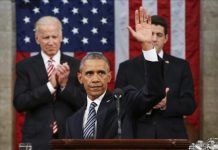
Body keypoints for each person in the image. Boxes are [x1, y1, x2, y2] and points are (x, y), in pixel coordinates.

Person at [115, 7, 196, 139]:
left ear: (166, 38)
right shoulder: (126, 67)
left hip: (172, 137)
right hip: (138, 137)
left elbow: (189, 104)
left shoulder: (181, 66)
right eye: (151, 34)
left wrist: (166, 104)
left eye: (158, 35)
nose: (153, 39)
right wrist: (147, 102)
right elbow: (120, 105)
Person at [13, 16, 84, 149]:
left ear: (61, 37)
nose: (50, 42)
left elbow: (84, 103)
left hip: (69, 137)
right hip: (35, 140)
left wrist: (64, 85)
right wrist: (50, 86)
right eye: (46, 38)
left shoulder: (77, 65)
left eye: (54, 37)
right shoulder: (24, 66)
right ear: (37, 39)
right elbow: (20, 103)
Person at [65, 51, 165, 139]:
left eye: (101, 73)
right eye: (89, 73)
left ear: (109, 77)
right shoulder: (72, 121)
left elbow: (154, 93)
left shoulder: (123, 103)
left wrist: (148, 50)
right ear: (80, 78)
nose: (95, 79)